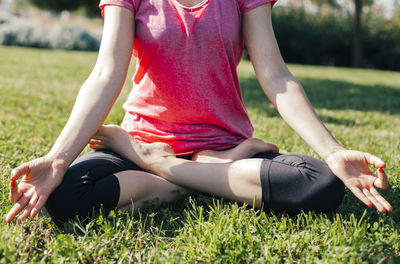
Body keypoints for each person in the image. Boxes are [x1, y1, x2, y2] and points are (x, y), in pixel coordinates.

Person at [6, 0, 392, 224]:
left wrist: (332, 150)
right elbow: (107, 73)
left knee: (319, 183)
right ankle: (186, 171)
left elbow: (276, 75)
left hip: (219, 144)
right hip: (149, 142)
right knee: (64, 197)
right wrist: (58, 160)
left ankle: (166, 168)